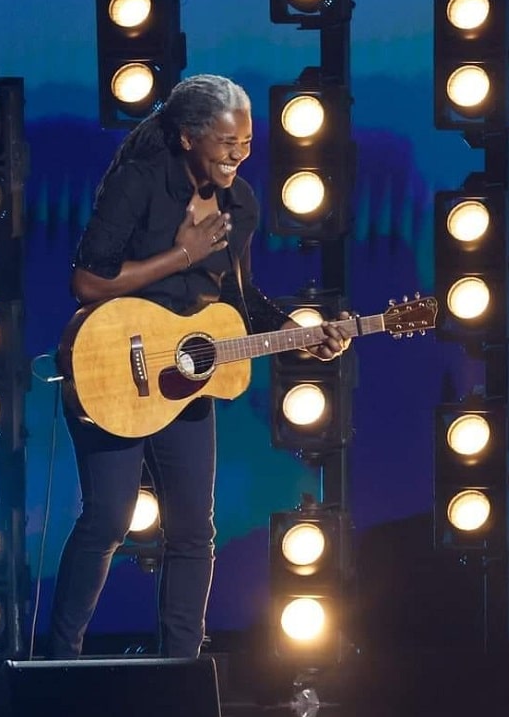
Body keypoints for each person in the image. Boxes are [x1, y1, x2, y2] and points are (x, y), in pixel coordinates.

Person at [49, 74, 349, 660]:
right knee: (108, 519)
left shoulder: (240, 204)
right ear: (188, 138)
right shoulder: (139, 182)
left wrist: (296, 334)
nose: (239, 155)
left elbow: (239, 300)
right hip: (112, 362)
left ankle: (179, 669)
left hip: (185, 377)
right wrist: (182, 254)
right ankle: (60, 665)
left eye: (247, 144)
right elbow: (87, 282)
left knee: (193, 532)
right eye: (226, 143)